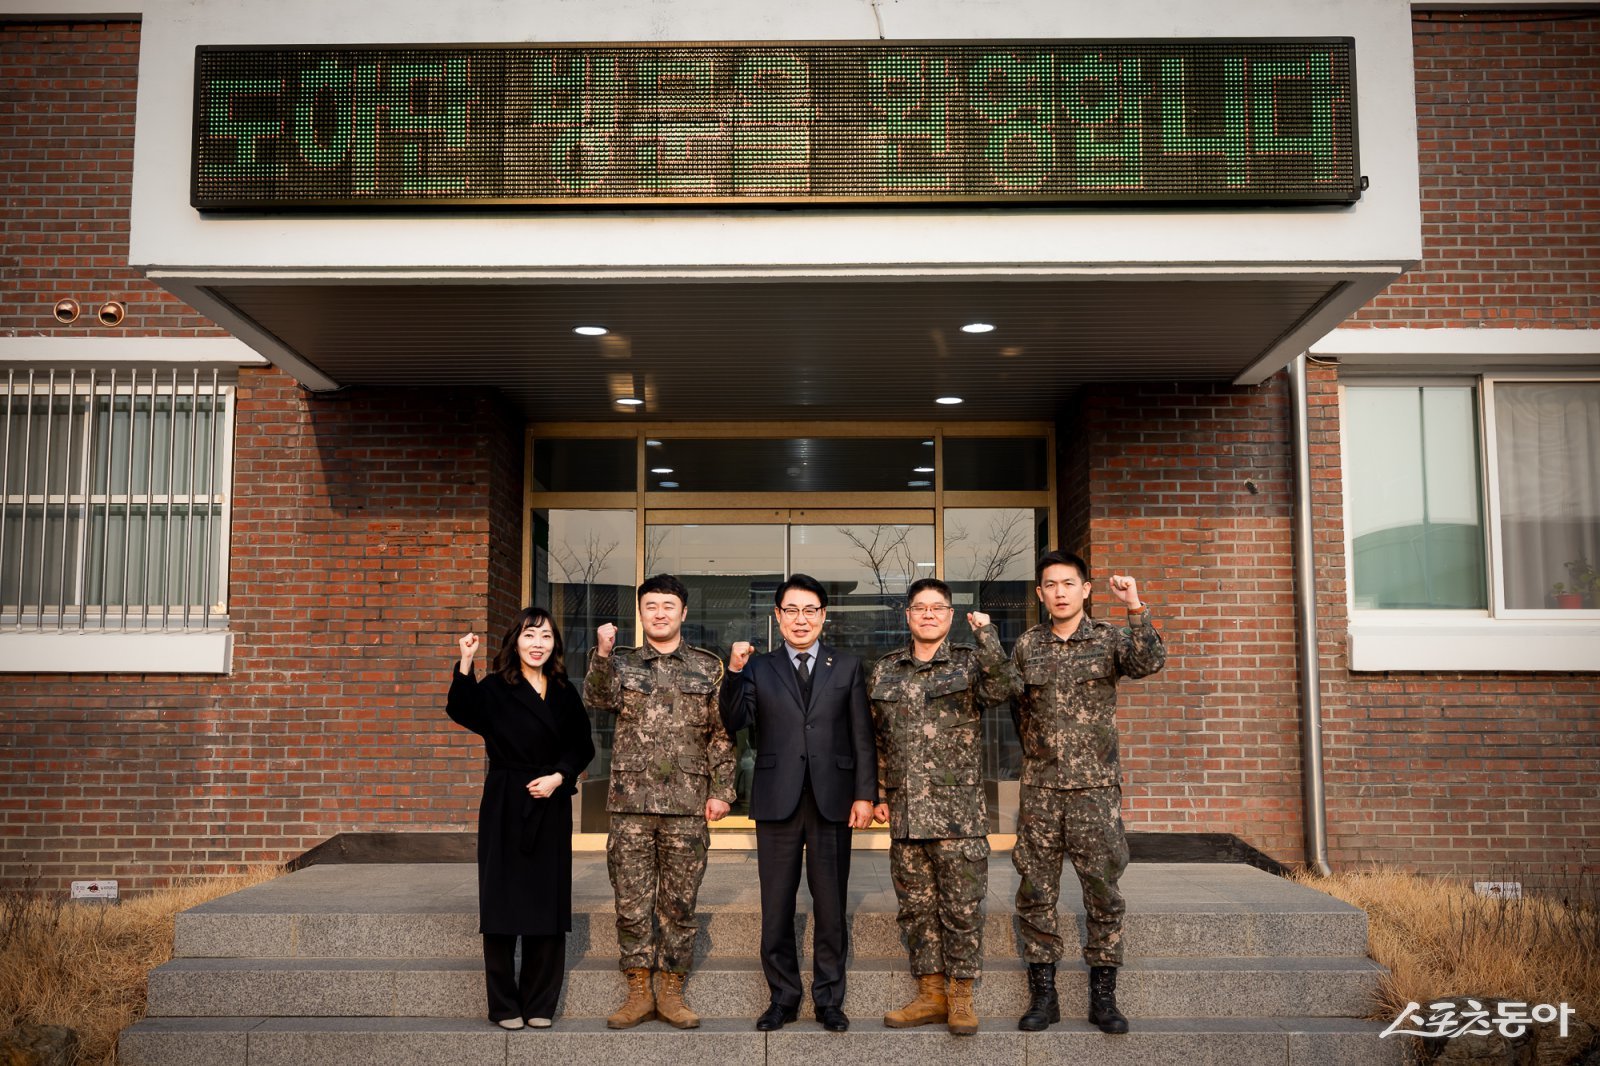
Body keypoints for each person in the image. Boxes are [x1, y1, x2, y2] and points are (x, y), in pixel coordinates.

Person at [1010, 550, 1166, 1035]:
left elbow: (1148, 661)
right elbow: (1019, 711)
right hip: (1040, 791)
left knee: (1102, 892)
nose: (1059, 592)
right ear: (1040, 594)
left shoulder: (1108, 639)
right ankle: (1044, 995)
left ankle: (1104, 996)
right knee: (1036, 893)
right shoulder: (1027, 645)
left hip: (1094, 792)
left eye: (1068, 583)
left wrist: (1134, 606)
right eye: (1050, 585)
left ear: (1086, 589)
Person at [719, 573, 877, 1033]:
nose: (801, 619)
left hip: (833, 800)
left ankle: (829, 999)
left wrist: (865, 794)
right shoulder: (757, 667)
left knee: (830, 906)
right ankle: (783, 998)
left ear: (824, 616)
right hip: (777, 799)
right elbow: (733, 720)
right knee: (777, 906)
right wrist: (732, 671)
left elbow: (861, 735)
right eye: (791, 610)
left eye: (811, 610)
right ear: (777, 616)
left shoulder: (846, 665)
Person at [867, 578, 1018, 1036]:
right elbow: (878, 739)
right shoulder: (885, 670)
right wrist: (878, 793)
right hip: (907, 814)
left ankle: (961, 997)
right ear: (907, 616)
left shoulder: (972, 665)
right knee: (915, 909)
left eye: (938, 608)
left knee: (961, 908)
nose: (928, 614)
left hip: (958, 816)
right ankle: (929, 994)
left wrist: (987, 635)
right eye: (920, 608)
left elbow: (1005, 687)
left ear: (950, 616)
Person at [584, 574, 735, 1030]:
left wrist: (722, 792)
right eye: (651, 605)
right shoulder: (622, 663)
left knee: (679, 901)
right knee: (630, 901)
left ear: (684, 612)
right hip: (631, 803)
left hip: (688, 804)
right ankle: (637, 990)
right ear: (641, 613)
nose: (661, 613)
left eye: (669, 605)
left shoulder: (709, 668)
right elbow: (596, 698)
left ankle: (671, 989)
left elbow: (722, 735)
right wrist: (604, 654)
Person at [447, 607, 596, 1031]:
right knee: (502, 897)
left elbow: (582, 745)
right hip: (505, 802)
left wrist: (558, 777)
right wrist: (466, 661)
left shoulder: (565, 691)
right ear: (516, 641)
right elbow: (461, 709)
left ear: (555, 645)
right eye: (530, 635)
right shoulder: (495, 687)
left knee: (546, 901)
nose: (537, 644)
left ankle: (540, 1003)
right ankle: (503, 1004)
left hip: (549, 802)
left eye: (546, 636)